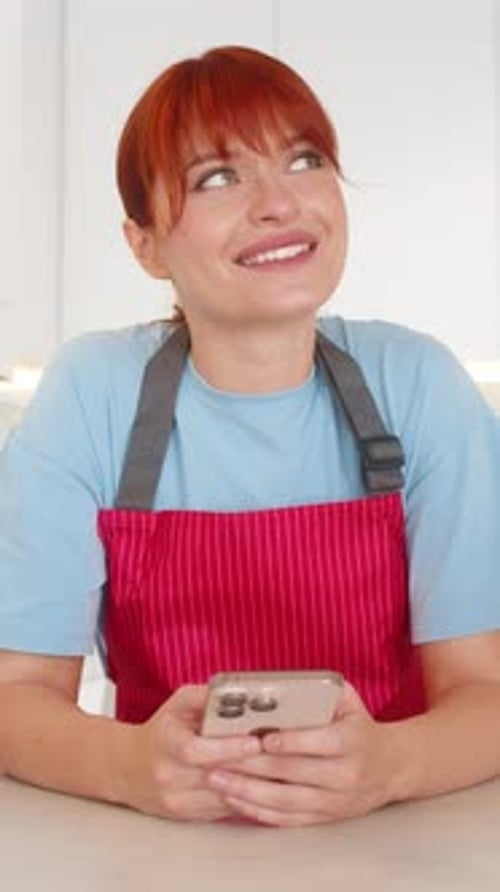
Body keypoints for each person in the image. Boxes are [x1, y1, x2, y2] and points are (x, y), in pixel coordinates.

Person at [1, 45, 499, 827]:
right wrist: (129, 766)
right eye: (217, 178)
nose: (278, 204)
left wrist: (390, 766)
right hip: (155, 848)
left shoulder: (418, 385)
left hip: (398, 839)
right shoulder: (93, 393)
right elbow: (14, 695)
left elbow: (485, 692)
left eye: (303, 159)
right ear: (144, 245)